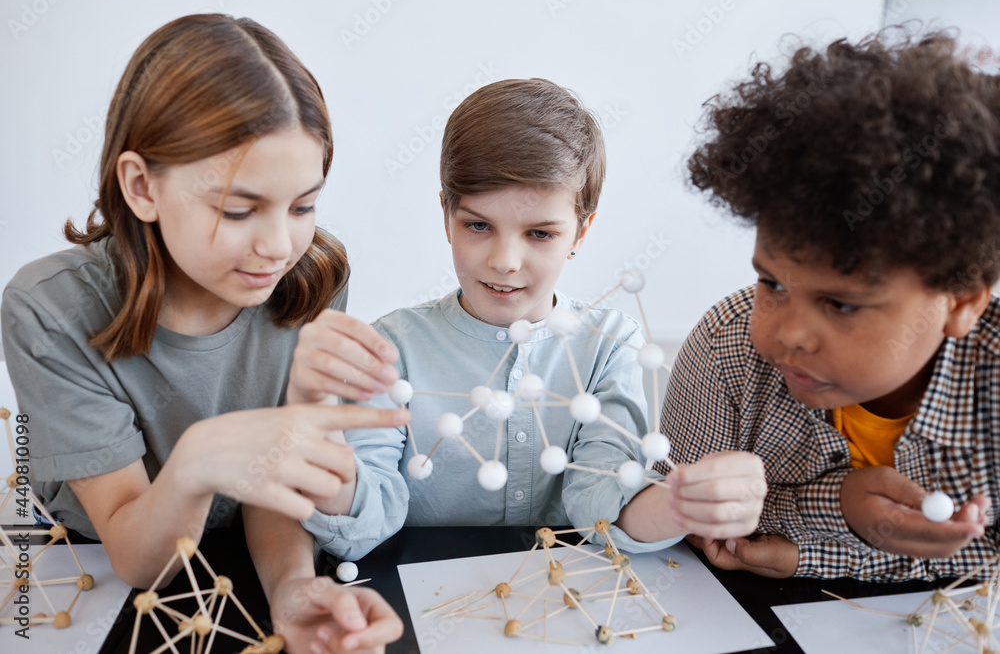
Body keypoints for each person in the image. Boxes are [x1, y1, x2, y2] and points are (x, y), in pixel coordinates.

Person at [2, 14, 407, 653]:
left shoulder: (311, 278)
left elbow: (274, 485)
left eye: (303, 205)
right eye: (238, 210)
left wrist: (293, 591)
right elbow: (138, 557)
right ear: (141, 186)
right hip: (100, 573)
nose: (279, 246)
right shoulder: (49, 308)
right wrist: (198, 459)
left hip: (246, 552)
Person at [304, 78, 766, 557]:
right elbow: (363, 527)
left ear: (580, 233)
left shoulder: (609, 347)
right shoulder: (389, 349)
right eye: (478, 225)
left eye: (540, 234)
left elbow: (605, 506)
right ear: (446, 216)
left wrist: (684, 504)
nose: (505, 260)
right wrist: (319, 456)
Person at [655, 29, 1000, 581]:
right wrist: (838, 503)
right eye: (773, 285)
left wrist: (812, 548)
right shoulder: (727, 347)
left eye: (839, 305)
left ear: (961, 301)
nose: (790, 333)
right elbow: (680, 517)